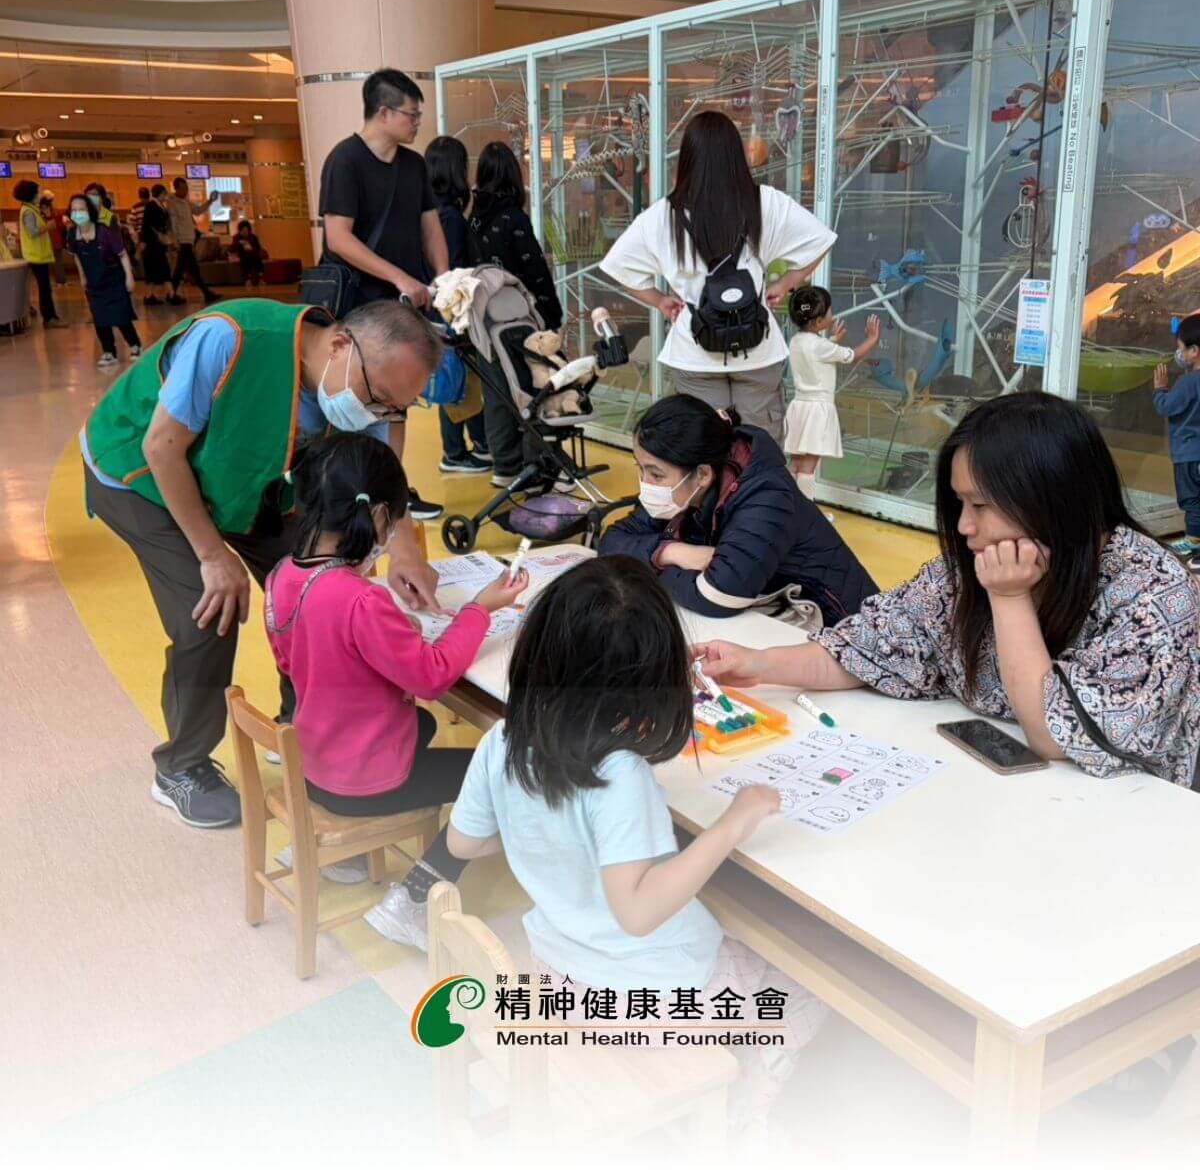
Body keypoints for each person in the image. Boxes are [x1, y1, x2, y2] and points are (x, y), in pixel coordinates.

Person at [446, 556, 828, 1129]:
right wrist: (734, 821)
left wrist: (547, 834)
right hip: (648, 995)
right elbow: (638, 912)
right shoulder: (619, 772)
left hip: (559, 969)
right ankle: (746, 1100)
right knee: (807, 986)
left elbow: (462, 843)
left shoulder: (503, 738)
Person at [696, 393, 1200, 788]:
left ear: (1051, 500)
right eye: (959, 503)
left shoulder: (1153, 592)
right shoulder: (966, 569)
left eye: (980, 506)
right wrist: (757, 664)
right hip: (993, 795)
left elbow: (1055, 735)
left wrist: (1009, 599)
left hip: (1123, 823)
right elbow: (873, 646)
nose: (963, 526)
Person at [81, 298, 445, 828]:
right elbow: (162, 448)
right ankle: (181, 766)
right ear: (341, 345)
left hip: (240, 479)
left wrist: (404, 552)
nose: (376, 414)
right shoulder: (229, 338)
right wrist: (212, 555)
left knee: (321, 584)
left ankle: (305, 729)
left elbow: (380, 474)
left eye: (393, 409)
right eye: (376, 397)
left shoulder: (359, 387)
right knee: (209, 610)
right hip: (142, 475)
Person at [264, 432, 526, 918]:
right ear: (381, 516)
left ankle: (338, 851)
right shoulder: (360, 599)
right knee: (500, 773)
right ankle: (414, 899)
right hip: (361, 780)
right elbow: (431, 677)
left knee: (423, 724)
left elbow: (290, 658)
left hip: (314, 759)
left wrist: (379, 643)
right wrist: (479, 609)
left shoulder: (282, 574)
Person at [599, 111, 838, 442]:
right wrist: (785, 284)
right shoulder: (765, 202)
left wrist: (661, 300)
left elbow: (618, 266)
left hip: (694, 349)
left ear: (687, 158)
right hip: (758, 348)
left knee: (705, 446)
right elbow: (821, 240)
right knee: (759, 447)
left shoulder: (664, 215)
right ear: (736, 155)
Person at [600, 394, 877, 628]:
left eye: (656, 474)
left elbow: (717, 596)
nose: (645, 484)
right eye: (641, 469)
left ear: (703, 475)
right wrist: (669, 553)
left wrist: (646, 565)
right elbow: (612, 540)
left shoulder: (766, 496)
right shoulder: (683, 488)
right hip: (773, 619)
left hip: (845, 632)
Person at [317, 67, 449, 521]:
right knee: (350, 399)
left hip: (402, 306)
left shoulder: (414, 166)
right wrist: (399, 277)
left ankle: (393, 490)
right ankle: (341, 493)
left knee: (397, 400)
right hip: (358, 304)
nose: (417, 123)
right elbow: (338, 238)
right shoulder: (345, 160)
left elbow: (429, 225)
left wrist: (444, 277)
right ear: (383, 112)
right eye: (412, 115)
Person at [469, 141, 563, 487]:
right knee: (533, 387)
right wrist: (551, 316)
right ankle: (538, 464)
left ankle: (505, 467)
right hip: (520, 320)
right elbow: (534, 271)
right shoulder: (513, 217)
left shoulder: (473, 217)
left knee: (496, 392)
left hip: (483, 320)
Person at [426, 135, 490, 475]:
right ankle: (456, 451)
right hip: (451, 309)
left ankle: (470, 446)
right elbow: (451, 269)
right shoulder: (449, 217)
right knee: (457, 379)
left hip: (433, 308)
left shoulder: (427, 213)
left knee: (452, 377)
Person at [785, 286, 881, 499]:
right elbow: (852, 355)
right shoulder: (821, 346)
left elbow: (815, 352)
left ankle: (788, 507)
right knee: (809, 464)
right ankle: (806, 511)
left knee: (796, 462)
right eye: (830, 310)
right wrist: (872, 339)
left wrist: (833, 340)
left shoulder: (796, 340)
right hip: (817, 410)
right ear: (819, 321)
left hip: (800, 408)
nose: (833, 314)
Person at [65, 193, 141, 369]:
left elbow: (122, 255)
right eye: (74, 210)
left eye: (81, 209)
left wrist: (129, 278)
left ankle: (135, 344)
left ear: (90, 211)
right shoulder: (72, 235)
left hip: (114, 279)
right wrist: (82, 277)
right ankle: (109, 352)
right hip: (94, 282)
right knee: (100, 318)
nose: (77, 213)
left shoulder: (104, 232)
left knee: (120, 316)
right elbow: (77, 256)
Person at [1154, 313, 1200, 573]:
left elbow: (1166, 407)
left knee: (1192, 499)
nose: (1178, 353)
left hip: (1188, 454)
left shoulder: (1187, 382)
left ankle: (1193, 543)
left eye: (1181, 348)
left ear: (1194, 351)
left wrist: (1160, 388)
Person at [13, 180, 65, 329]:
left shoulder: (31, 209)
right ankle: (49, 318)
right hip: (35, 256)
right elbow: (32, 232)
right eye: (38, 191)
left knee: (45, 288)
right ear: (31, 194)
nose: (40, 194)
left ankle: (50, 316)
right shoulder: (28, 212)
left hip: (37, 255)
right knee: (45, 289)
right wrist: (47, 226)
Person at [165, 177, 220, 305]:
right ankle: (205, 293)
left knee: (182, 269)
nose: (186, 191)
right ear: (176, 188)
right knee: (190, 269)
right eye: (183, 188)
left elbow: (198, 211)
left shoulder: (185, 202)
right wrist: (176, 241)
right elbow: (173, 224)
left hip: (188, 240)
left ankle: (172, 294)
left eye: (186, 188)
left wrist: (210, 201)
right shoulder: (172, 203)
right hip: (183, 241)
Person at [140, 183, 173, 306]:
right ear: (160, 193)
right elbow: (146, 225)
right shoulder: (151, 206)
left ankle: (155, 295)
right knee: (159, 268)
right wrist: (144, 241)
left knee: (160, 269)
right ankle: (169, 294)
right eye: (165, 193)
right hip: (153, 244)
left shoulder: (160, 205)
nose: (166, 196)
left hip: (156, 244)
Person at [229, 219, 268, 289]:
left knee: (256, 258)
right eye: (243, 230)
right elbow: (232, 249)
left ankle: (260, 278)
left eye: (246, 230)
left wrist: (251, 248)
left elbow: (258, 248)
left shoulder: (253, 237)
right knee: (245, 259)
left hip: (253, 254)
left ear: (249, 230)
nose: (244, 232)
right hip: (242, 255)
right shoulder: (236, 237)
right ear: (240, 230)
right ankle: (247, 280)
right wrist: (238, 243)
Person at [39, 193, 67, 286]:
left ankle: (60, 280)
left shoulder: (55, 213)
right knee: (56, 262)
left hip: (52, 241)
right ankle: (60, 281)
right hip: (51, 241)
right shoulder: (55, 213)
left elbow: (61, 226)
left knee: (56, 262)